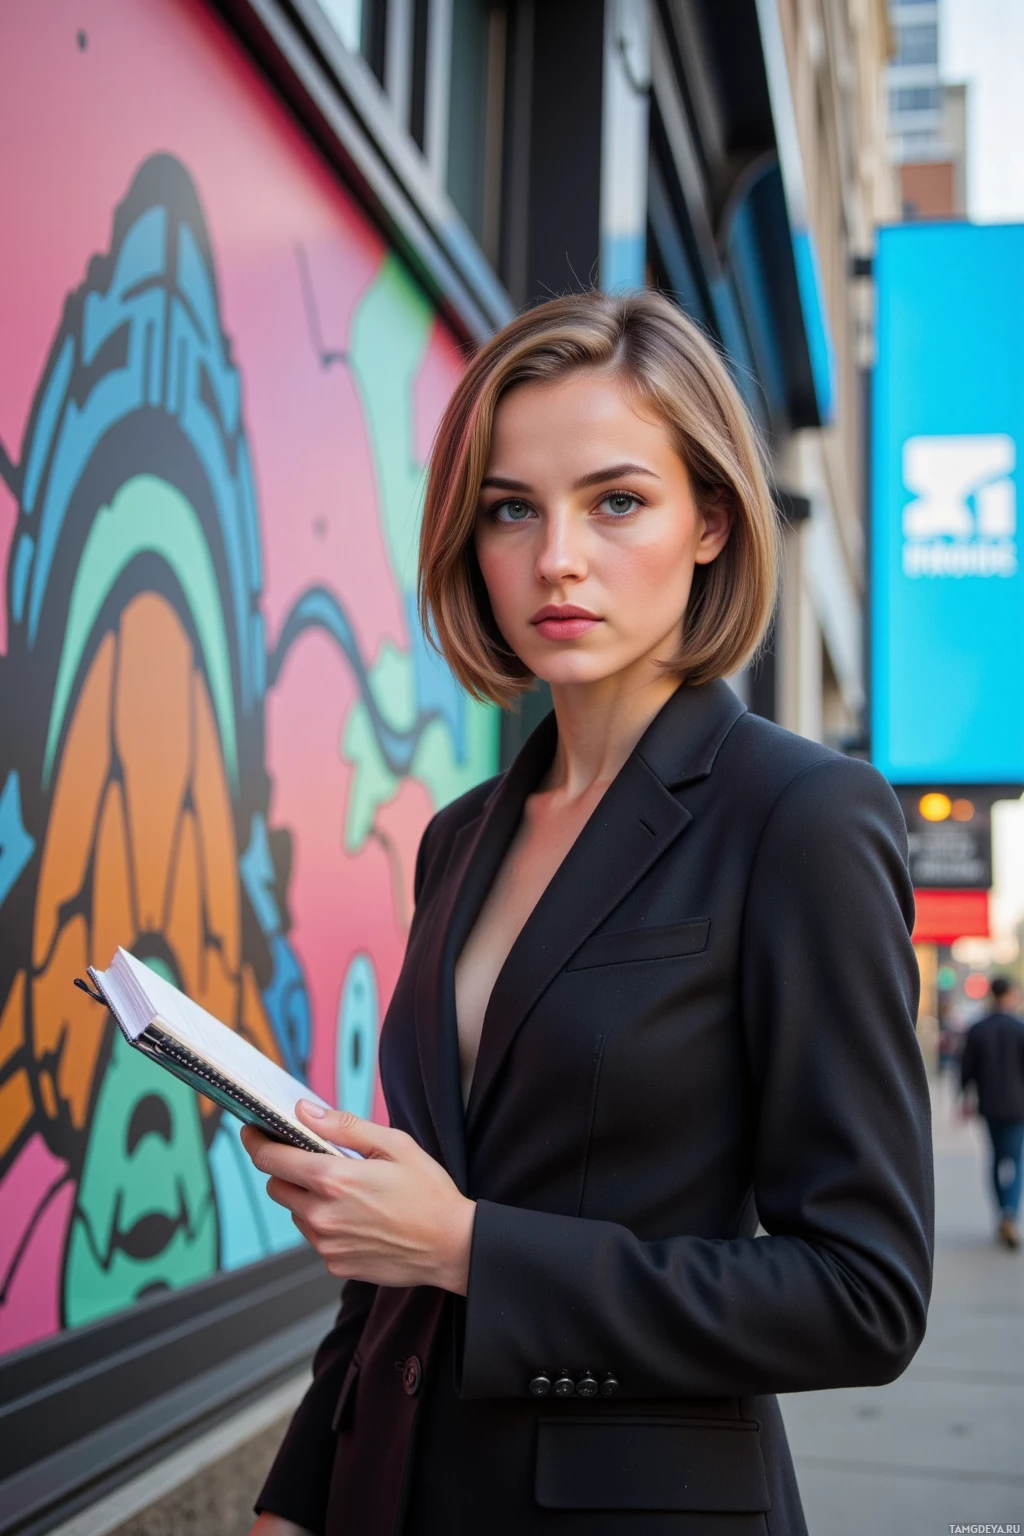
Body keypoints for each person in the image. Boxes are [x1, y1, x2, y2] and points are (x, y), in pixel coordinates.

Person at [244, 291, 934, 1536]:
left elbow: (861, 1294)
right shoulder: (463, 834)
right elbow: (410, 1233)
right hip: (385, 1490)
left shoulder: (804, 818)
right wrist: (297, 1492)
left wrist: (471, 1248)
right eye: (513, 508)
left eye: (616, 501)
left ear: (711, 520)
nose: (556, 556)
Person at [960, 975, 1024, 1250]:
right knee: (1016, 1161)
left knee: (996, 1159)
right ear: (1010, 995)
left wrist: (963, 1098)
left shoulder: (978, 1029)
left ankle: (1001, 1212)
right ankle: (1009, 1212)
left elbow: (966, 1069)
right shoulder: (1020, 1028)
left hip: (989, 1105)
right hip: (1018, 1106)